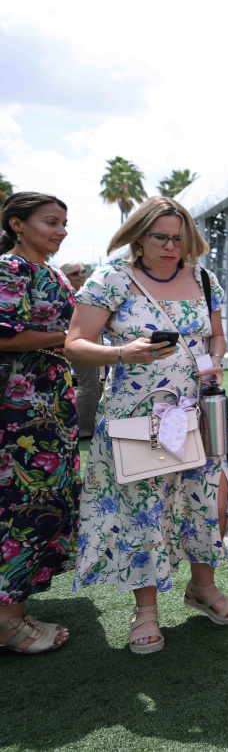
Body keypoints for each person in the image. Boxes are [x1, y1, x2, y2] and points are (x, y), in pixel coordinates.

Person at [65, 196, 228, 655]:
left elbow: (216, 335)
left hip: (197, 410)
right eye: (160, 237)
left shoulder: (204, 278)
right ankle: (145, 611)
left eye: (178, 238)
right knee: (143, 508)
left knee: (206, 500)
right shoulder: (111, 279)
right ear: (139, 236)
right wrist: (123, 352)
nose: (170, 247)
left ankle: (202, 588)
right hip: (135, 415)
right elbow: (76, 344)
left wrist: (215, 359)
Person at [0, 193, 79, 654]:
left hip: (51, 400)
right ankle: (8, 622)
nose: (61, 231)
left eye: (64, 223)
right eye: (51, 222)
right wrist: (70, 338)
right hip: (20, 408)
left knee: (45, 498)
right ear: (17, 223)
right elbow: (5, 334)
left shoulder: (50, 272)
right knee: (20, 504)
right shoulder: (10, 269)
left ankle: (14, 607)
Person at [59, 260, 101, 441]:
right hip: (78, 345)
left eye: (83, 271)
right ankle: (82, 429)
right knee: (89, 385)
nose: (81, 275)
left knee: (96, 385)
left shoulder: (81, 293)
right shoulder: (65, 295)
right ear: (65, 276)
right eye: (75, 273)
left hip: (92, 343)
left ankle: (89, 426)